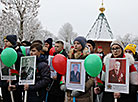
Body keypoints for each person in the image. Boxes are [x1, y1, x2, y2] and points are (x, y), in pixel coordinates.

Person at [61, 36, 94, 102]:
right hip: (69, 94)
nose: (75, 45)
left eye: (78, 43)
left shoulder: (87, 58)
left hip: (83, 96)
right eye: (74, 43)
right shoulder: (69, 57)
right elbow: (64, 72)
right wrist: (62, 83)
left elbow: (92, 77)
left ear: (83, 45)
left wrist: (83, 88)